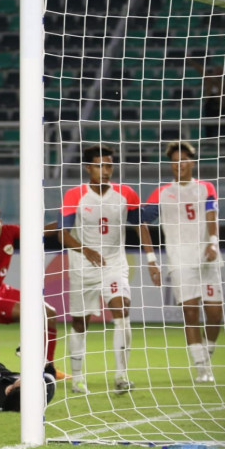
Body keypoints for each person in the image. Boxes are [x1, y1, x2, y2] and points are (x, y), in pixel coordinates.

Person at [60, 144, 146, 394]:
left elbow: (140, 224)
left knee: (122, 309)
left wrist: (151, 259)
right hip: (82, 268)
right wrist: (85, 250)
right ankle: (77, 378)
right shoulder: (75, 194)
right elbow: (63, 234)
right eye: (99, 165)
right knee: (80, 323)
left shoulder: (126, 193)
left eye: (108, 165)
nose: (105, 170)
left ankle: (121, 376)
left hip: (113, 264)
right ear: (88, 168)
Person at [142, 141, 223, 383]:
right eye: (175, 161)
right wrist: (151, 259)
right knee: (190, 313)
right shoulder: (162, 192)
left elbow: (212, 217)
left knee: (215, 314)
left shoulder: (206, 188)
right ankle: (201, 369)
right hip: (179, 260)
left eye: (184, 160)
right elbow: (141, 221)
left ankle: (205, 357)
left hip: (206, 258)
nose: (179, 165)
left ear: (192, 162)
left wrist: (214, 243)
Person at [0, 202, 67, 380]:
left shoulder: (8, 232)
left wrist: (67, 220)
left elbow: (39, 232)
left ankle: (48, 369)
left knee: (49, 313)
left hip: (0, 290)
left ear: (0, 221)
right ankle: (26, 348)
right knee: (33, 312)